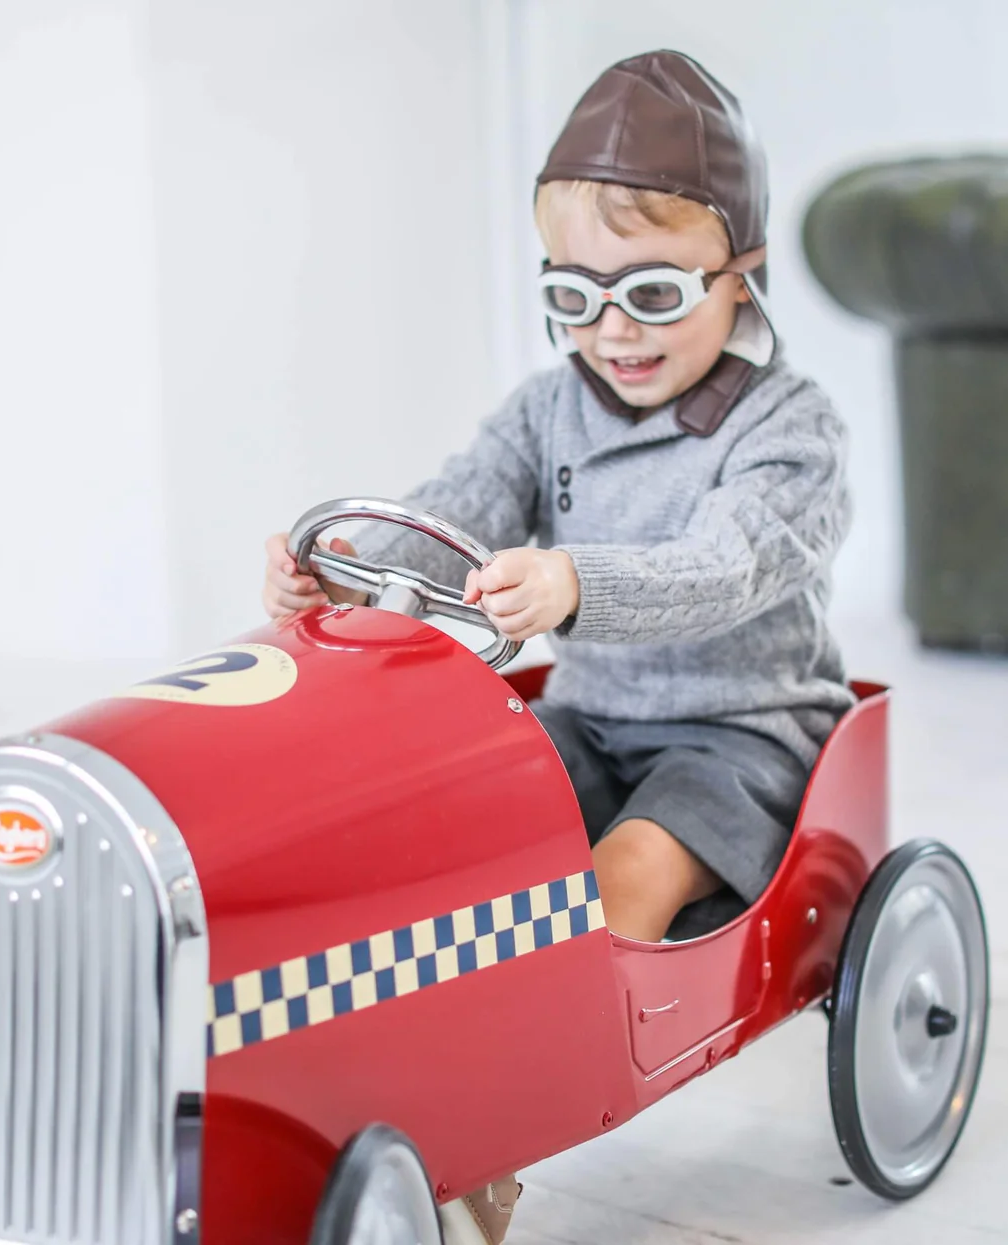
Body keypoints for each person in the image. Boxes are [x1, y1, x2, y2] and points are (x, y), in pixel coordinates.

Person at [261, 49, 853, 1244]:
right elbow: (461, 503)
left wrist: (578, 581)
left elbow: (731, 565)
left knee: (619, 879)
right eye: (575, 297)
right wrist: (348, 560)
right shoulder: (549, 409)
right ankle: (424, 1083)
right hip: (590, 716)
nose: (612, 333)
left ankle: (499, 1141)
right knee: (462, 850)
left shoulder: (791, 429)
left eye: (653, 296)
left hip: (739, 736)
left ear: (742, 276)